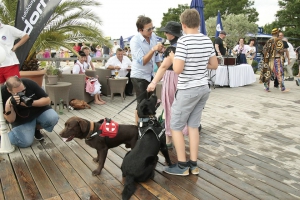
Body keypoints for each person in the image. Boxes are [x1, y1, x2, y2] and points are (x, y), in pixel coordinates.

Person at [148, 9, 218, 176]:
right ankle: (193, 165)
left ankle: (182, 165)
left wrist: (173, 58)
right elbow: (214, 65)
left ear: (183, 25)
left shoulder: (183, 42)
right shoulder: (207, 40)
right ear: (199, 23)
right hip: (203, 88)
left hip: (188, 89)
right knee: (193, 126)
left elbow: (178, 69)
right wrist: (199, 64)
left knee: (176, 126)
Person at [147, 21, 187, 148]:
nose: (165, 34)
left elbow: (164, 66)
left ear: (172, 35)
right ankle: (179, 134)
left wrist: (154, 82)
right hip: (184, 78)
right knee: (182, 108)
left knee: (169, 107)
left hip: (172, 77)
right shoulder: (184, 45)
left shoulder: (172, 49)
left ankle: (169, 139)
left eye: (166, 32)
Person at [1, 76, 59, 147]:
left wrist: (31, 103)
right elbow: (11, 119)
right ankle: (4, 137)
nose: (23, 94)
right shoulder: (2, 93)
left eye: (23, 90)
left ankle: (35, 128)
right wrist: (8, 103)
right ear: (9, 90)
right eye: (18, 93)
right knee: (25, 142)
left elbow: (47, 100)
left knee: (53, 117)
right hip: (22, 120)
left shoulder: (28, 83)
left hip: (38, 111)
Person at [130, 15, 163, 125]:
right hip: (139, 76)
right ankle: (138, 129)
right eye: (149, 29)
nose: (151, 31)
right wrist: (153, 49)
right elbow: (142, 60)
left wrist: (162, 69)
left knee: (148, 103)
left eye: (152, 28)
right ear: (140, 30)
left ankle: (146, 126)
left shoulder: (153, 37)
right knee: (141, 104)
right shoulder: (135, 41)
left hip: (150, 75)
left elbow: (157, 56)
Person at [259, 28, 289, 92]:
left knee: (268, 73)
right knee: (279, 73)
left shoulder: (268, 41)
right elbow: (280, 50)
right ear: (277, 33)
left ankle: (266, 88)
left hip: (269, 59)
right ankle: (282, 88)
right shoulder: (278, 40)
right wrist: (284, 50)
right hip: (276, 59)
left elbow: (264, 50)